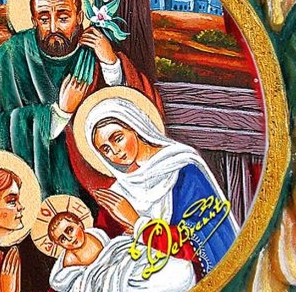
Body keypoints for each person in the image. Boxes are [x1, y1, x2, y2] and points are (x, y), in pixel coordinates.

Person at [0, 0, 161, 292]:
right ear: (32, 19)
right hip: (31, 193)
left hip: (91, 186)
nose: (53, 26)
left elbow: (136, 111)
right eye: (44, 18)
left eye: (63, 16)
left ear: (80, 17)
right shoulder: (11, 58)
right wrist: (56, 114)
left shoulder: (93, 53)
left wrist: (110, 61)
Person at [83, 96, 240, 278]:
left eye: (117, 138)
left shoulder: (183, 170)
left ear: (135, 127)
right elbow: (104, 242)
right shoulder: (121, 189)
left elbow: (199, 244)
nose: (115, 151)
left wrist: (136, 222)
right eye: (105, 150)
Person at [34, 208, 197, 292]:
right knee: (157, 282)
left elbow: (114, 246)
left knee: (171, 266)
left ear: (79, 223)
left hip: (126, 257)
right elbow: (85, 282)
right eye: (62, 238)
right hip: (113, 279)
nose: (69, 238)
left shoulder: (96, 234)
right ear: (59, 245)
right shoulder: (70, 260)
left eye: (69, 230)